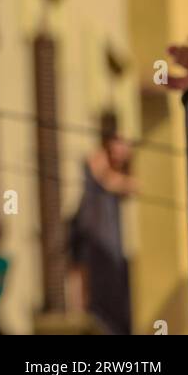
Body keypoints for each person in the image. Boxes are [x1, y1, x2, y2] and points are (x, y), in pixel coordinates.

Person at [66, 111, 137, 335]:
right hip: (93, 231)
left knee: (113, 288)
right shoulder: (96, 158)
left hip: (108, 237)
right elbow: (113, 183)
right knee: (89, 281)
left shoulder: (114, 162)